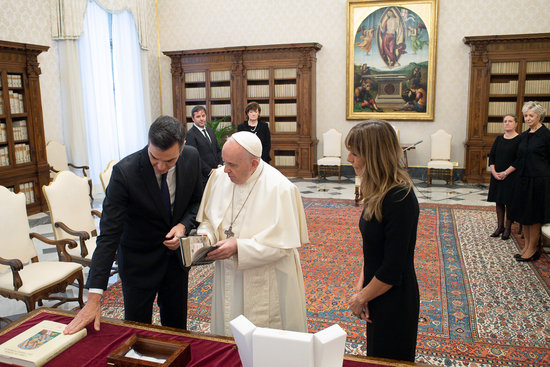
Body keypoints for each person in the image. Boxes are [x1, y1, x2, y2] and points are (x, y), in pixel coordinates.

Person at [64, 116, 203, 335]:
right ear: (148, 144)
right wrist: (94, 296)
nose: (161, 166)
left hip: (175, 263)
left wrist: (183, 225)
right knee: (136, 333)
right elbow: (109, 235)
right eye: (155, 158)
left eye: (169, 161)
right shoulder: (125, 173)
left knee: (176, 332)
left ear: (182, 147)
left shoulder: (192, 157)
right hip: (138, 263)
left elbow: (197, 201)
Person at [196, 131, 308, 336]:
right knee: (227, 334)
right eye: (224, 162)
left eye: (233, 165)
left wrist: (238, 247)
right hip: (228, 273)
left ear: (254, 164)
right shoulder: (220, 178)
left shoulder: (280, 188)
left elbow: (282, 248)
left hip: (265, 279)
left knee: (262, 340)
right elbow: (208, 221)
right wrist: (206, 238)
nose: (225, 170)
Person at [347, 120, 419, 362]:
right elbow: (374, 250)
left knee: (389, 358)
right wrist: (363, 285)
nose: (349, 159)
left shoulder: (399, 197)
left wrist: (361, 298)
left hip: (394, 299)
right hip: (376, 291)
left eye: (354, 153)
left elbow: (392, 269)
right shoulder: (378, 189)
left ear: (373, 155)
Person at [510, 101, 550, 262]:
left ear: (539, 116)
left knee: (533, 217)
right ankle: (526, 246)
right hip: (523, 180)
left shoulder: (546, 136)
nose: (527, 118)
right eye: (525, 115)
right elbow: (519, 158)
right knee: (524, 216)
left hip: (539, 181)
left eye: (531, 115)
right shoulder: (524, 135)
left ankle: (533, 249)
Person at [487, 114, 520, 240]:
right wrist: (494, 172)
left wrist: (506, 172)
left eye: (510, 121)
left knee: (509, 202)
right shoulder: (499, 139)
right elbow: (492, 156)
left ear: (516, 123)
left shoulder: (519, 139)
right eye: (505, 121)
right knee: (499, 201)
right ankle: (499, 227)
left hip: (511, 176)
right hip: (497, 175)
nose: (507, 123)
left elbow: (519, 159)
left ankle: (507, 228)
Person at [185, 105, 223, 186]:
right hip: (203, 177)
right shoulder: (190, 134)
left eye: (203, 116)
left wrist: (219, 165)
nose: (201, 119)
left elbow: (217, 150)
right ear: (193, 118)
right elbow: (195, 157)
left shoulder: (211, 131)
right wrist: (209, 171)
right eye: (198, 116)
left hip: (217, 173)